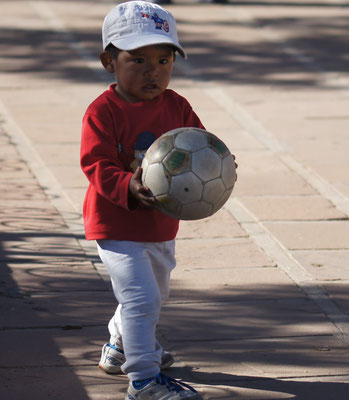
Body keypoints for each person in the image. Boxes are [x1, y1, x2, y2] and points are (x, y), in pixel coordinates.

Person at [80, 1, 206, 399]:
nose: (153, 71)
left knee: (154, 292)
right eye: (138, 60)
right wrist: (127, 186)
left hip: (162, 223)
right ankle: (144, 379)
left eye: (164, 60)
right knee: (141, 297)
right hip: (117, 223)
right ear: (109, 61)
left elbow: (201, 146)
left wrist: (217, 160)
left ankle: (119, 347)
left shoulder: (177, 105)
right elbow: (95, 163)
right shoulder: (103, 111)